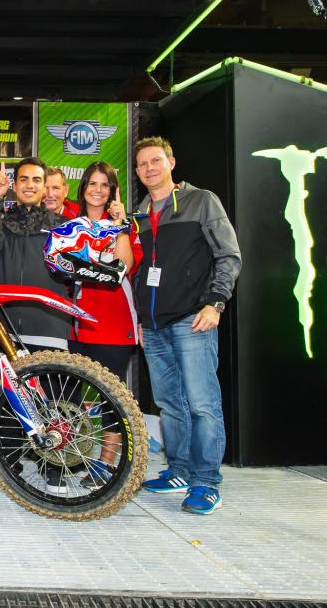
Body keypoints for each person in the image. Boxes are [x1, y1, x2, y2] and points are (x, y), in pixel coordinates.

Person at [132, 136, 241, 515]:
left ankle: (206, 482)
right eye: (143, 163)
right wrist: (143, 319)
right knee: (169, 404)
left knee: (202, 404)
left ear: (171, 162)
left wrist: (216, 303)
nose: (149, 168)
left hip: (193, 319)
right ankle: (178, 470)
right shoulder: (141, 214)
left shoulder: (201, 201)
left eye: (156, 160)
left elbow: (229, 254)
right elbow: (141, 270)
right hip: (155, 326)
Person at [0, 156, 71, 488]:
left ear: (45, 187)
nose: (30, 185)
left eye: (37, 179)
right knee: (9, 398)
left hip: (51, 320)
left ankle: (57, 468)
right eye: (24, 179)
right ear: (15, 185)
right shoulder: (1, 219)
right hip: (6, 325)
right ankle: (6, 466)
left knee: (56, 399)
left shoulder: (63, 225)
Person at [66, 161, 141, 490]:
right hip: (77, 325)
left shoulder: (123, 225)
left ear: (113, 190)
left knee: (111, 397)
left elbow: (127, 264)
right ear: (82, 189)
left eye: (104, 185)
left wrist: (120, 225)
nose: (97, 190)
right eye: (91, 184)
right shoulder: (73, 224)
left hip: (113, 324)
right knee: (80, 399)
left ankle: (106, 464)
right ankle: (75, 456)